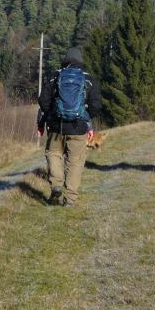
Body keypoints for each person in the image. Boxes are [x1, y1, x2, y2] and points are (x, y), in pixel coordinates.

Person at [38, 47, 102, 206]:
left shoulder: (55, 76)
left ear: (65, 60)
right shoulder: (89, 79)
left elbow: (43, 101)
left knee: (53, 154)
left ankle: (56, 185)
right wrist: (85, 118)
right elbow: (96, 105)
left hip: (56, 127)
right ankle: (70, 199)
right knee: (75, 162)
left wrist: (51, 116)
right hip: (78, 128)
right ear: (80, 61)